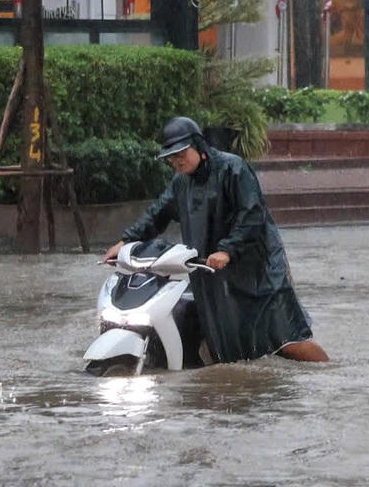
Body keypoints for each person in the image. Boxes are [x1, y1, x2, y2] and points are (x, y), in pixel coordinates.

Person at [102, 117, 329, 363]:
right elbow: (158, 213)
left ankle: (327, 371)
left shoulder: (234, 169)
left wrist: (228, 250)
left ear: (198, 145)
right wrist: (127, 241)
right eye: (171, 156)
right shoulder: (181, 183)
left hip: (258, 269)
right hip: (213, 271)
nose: (177, 160)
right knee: (227, 345)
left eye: (182, 153)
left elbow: (251, 214)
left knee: (285, 338)